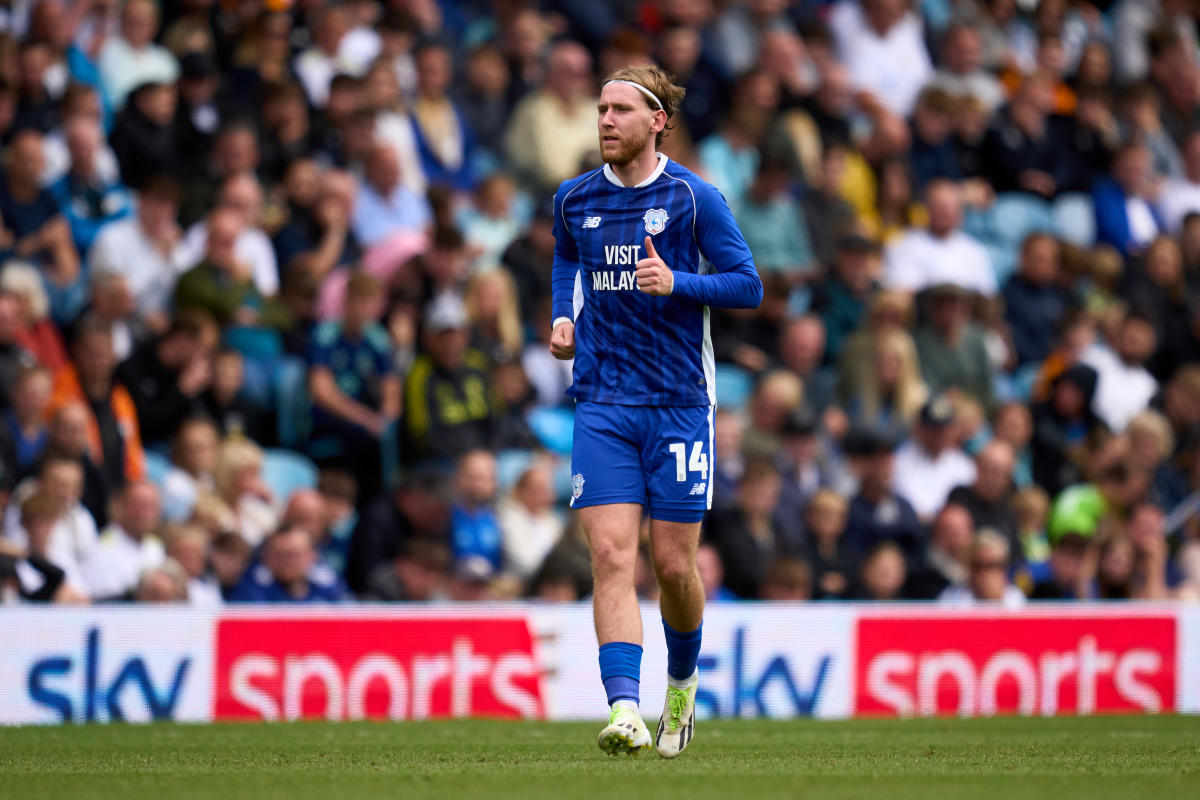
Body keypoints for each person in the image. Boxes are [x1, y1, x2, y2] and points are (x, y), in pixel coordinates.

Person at [549, 65, 762, 758]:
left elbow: (748, 285)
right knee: (611, 555)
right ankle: (625, 710)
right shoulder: (574, 198)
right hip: (603, 401)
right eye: (600, 108)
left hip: (678, 404)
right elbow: (564, 257)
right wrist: (561, 316)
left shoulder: (696, 198)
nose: (605, 120)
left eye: (620, 110)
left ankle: (683, 686)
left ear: (657, 121)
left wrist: (679, 282)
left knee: (672, 567)